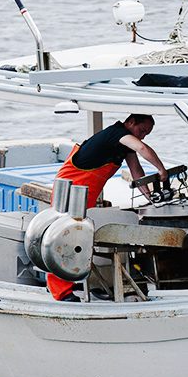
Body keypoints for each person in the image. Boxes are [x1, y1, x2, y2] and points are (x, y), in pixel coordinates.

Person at [47, 113, 171, 300]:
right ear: (130, 122)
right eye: (142, 130)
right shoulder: (116, 133)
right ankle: (59, 291)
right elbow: (142, 147)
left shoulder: (124, 146)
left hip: (83, 196)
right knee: (64, 239)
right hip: (69, 190)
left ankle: (76, 283)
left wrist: (150, 199)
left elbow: (136, 171)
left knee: (78, 238)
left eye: (147, 133)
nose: (143, 135)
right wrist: (162, 170)